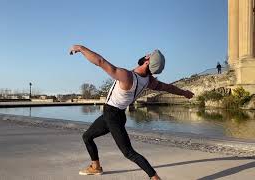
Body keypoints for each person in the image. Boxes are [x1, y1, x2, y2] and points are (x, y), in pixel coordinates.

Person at [69, 45, 194, 180]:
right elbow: (168, 87)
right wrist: (184, 93)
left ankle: (154, 177)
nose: (147, 54)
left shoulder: (127, 76)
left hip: (113, 116)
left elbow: (101, 62)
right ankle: (96, 167)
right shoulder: (148, 81)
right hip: (114, 115)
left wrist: (81, 48)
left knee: (129, 152)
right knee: (87, 136)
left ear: (147, 61)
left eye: (149, 55)